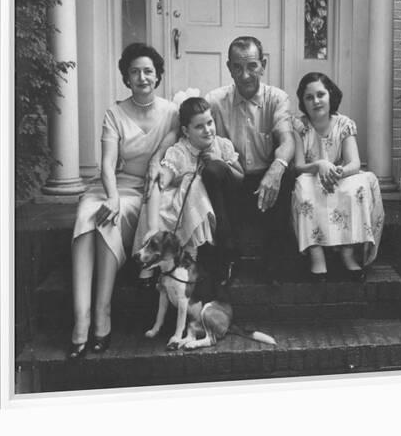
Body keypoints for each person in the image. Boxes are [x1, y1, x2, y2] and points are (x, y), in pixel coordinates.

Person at [69, 43, 178, 358]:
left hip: (150, 191)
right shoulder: (114, 113)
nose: (142, 77)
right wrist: (112, 196)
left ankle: (102, 315)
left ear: (157, 76)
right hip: (118, 185)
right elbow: (106, 164)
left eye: (148, 71)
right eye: (134, 72)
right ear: (126, 78)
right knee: (87, 213)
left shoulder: (171, 111)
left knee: (108, 222)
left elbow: (176, 147)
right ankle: (81, 319)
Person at [203, 36, 295, 283]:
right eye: (237, 67)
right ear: (229, 67)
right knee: (211, 169)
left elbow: (287, 140)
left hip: (266, 183)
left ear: (263, 65)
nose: (245, 75)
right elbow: (189, 131)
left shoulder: (277, 99)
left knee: (288, 171)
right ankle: (227, 255)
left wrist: (276, 169)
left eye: (252, 66)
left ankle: (274, 260)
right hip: (233, 180)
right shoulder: (214, 101)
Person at [291, 72, 384, 282]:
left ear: (330, 95)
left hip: (340, 175)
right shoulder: (299, 126)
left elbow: (354, 163)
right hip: (312, 175)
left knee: (358, 185)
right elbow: (298, 166)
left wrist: (335, 171)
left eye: (320, 94)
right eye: (309, 97)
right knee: (304, 186)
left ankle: (347, 251)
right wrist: (319, 165)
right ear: (302, 102)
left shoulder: (344, 124)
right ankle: (317, 255)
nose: (315, 101)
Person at [133, 97, 243, 267]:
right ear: (185, 131)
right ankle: (177, 261)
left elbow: (240, 177)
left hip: (221, 207)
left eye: (209, 123)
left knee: (200, 183)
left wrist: (220, 162)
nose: (207, 130)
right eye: (199, 126)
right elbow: (159, 182)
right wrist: (152, 227)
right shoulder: (181, 152)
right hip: (192, 206)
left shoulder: (222, 145)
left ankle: (206, 259)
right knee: (189, 187)